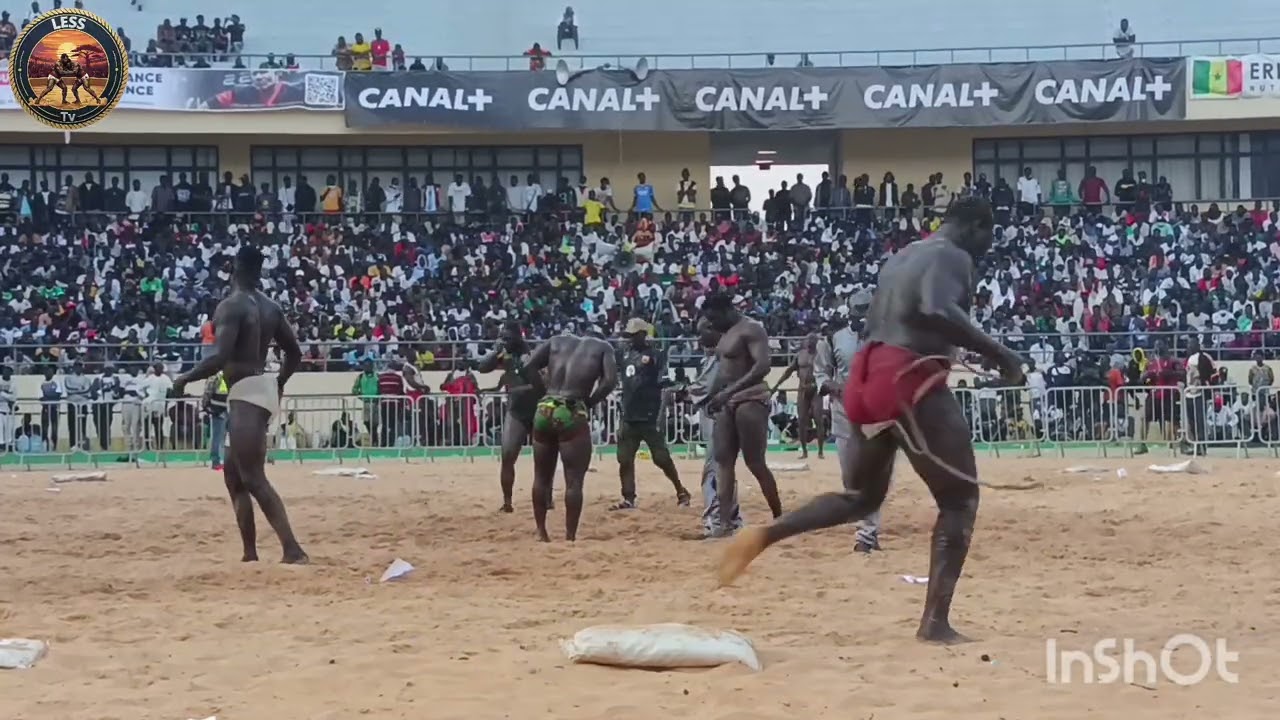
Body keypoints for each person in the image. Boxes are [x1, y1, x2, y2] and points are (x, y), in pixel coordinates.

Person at [717, 197, 1024, 645]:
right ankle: (935, 623)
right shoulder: (952, 255)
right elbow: (936, 310)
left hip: (867, 372)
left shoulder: (905, 255)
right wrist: (1003, 355)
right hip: (907, 376)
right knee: (959, 502)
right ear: (978, 226)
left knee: (860, 497)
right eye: (989, 234)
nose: (988, 244)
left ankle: (764, 534)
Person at [174, 246, 308, 564]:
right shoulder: (271, 307)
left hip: (246, 390)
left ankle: (293, 549)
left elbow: (219, 357)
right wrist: (278, 383)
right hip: (260, 387)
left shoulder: (231, 306)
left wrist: (183, 379)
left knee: (253, 478)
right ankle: (250, 553)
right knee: (235, 477)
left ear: (234, 268)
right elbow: (295, 353)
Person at [700, 293, 784, 535]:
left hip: (751, 398)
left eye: (714, 319)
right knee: (723, 463)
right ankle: (724, 524)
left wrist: (727, 394)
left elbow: (762, 366)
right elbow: (723, 371)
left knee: (755, 462)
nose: (712, 325)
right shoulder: (725, 333)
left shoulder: (752, 329)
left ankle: (779, 515)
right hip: (728, 399)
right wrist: (714, 396)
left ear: (728, 310)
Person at [523, 333, 617, 542]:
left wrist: (543, 393)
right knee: (574, 481)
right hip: (572, 409)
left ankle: (541, 531)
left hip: (545, 408)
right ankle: (569, 535)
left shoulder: (556, 340)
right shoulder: (603, 348)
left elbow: (528, 366)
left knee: (541, 477)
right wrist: (590, 402)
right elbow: (610, 381)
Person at [814, 293, 881, 552]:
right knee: (850, 475)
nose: (862, 315)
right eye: (858, 310)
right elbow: (821, 373)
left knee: (875, 472)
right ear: (849, 312)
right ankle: (868, 529)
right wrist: (836, 388)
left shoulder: (886, 338)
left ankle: (866, 533)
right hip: (844, 414)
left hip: (877, 413)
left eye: (867, 310)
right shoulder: (834, 340)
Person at [611, 318, 691, 510]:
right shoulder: (624, 354)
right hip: (629, 414)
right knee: (624, 458)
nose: (629, 340)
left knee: (661, 457)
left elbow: (662, 379)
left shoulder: (656, 355)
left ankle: (681, 490)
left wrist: (675, 390)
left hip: (649, 414)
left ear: (642, 335)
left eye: (632, 336)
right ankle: (628, 497)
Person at [476, 321, 549, 512]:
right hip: (516, 410)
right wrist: (495, 351)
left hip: (537, 408)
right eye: (502, 337)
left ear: (519, 336)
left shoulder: (533, 354)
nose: (504, 341)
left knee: (543, 457)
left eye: (507, 338)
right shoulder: (504, 354)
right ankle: (507, 502)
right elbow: (482, 368)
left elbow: (541, 383)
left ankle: (546, 496)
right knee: (507, 454)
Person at [688, 317, 742, 537]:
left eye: (702, 332)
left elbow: (709, 384)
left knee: (714, 470)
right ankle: (732, 519)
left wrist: (686, 392)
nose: (699, 338)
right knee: (724, 470)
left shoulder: (721, 352)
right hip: (729, 414)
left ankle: (718, 521)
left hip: (721, 416)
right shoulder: (729, 348)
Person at [771, 333, 825, 459]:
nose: (811, 342)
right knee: (801, 421)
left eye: (813, 340)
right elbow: (789, 371)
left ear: (817, 342)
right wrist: (775, 386)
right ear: (806, 342)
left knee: (818, 420)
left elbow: (827, 371)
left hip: (816, 390)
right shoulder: (800, 355)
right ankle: (804, 451)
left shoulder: (821, 356)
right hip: (802, 390)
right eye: (809, 340)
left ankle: (820, 451)